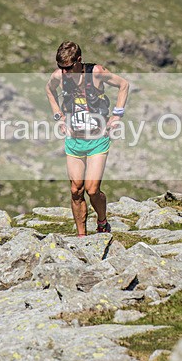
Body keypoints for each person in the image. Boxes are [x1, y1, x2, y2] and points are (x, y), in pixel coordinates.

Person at [46, 41, 129, 237]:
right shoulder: (59, 76)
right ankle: (82, 235)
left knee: (92, 190)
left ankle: (102, 221)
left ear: (79, 60)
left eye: (68, 67)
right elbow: (49, 90)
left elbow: (123, 85)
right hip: (74, 140)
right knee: (76, 190)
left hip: (97, 139)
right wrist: (59, 116)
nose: (64, 72)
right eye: (61, 67)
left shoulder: (96, 72)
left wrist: (117, 115)